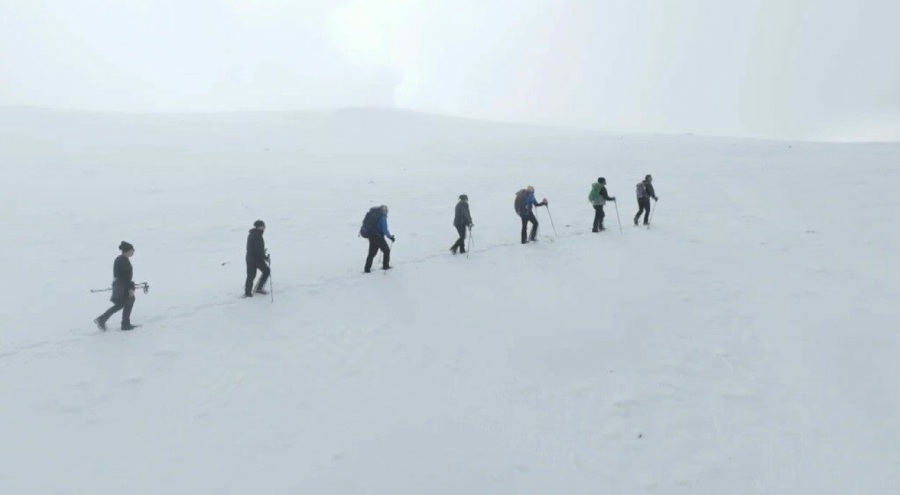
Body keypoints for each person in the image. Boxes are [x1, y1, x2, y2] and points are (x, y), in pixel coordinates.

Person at [94, 241, 139, 331]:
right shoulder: (123, 260)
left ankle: (105, 320)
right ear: (128, 250)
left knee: (123, 303)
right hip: (122, 286)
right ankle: (123, 324)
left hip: (120, 286)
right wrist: (130, 288)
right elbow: (125, 277)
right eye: (132, 249)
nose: (133, 251)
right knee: (127, 301)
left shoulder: (120, 259)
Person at [360, 205, 395, 273]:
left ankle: (367, 269)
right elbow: (384, 229)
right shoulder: (382, 216)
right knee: (386, 250)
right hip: (377, 236)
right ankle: (385, 266)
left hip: (371, 235)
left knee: (371, 253)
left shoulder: (373, 214)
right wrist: (390, 237)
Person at [244, 220, 270, 297]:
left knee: (251, 275)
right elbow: (259, 250)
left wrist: (262, 252)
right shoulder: (258, 235)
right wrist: (265, 257)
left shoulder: (251, 234)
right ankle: (259, 288)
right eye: (263, 226)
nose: (264, 227)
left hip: (249, 257)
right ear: (259, 226)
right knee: (266, 271)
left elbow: (254, 248)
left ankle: (247, 292)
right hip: (256, 259)